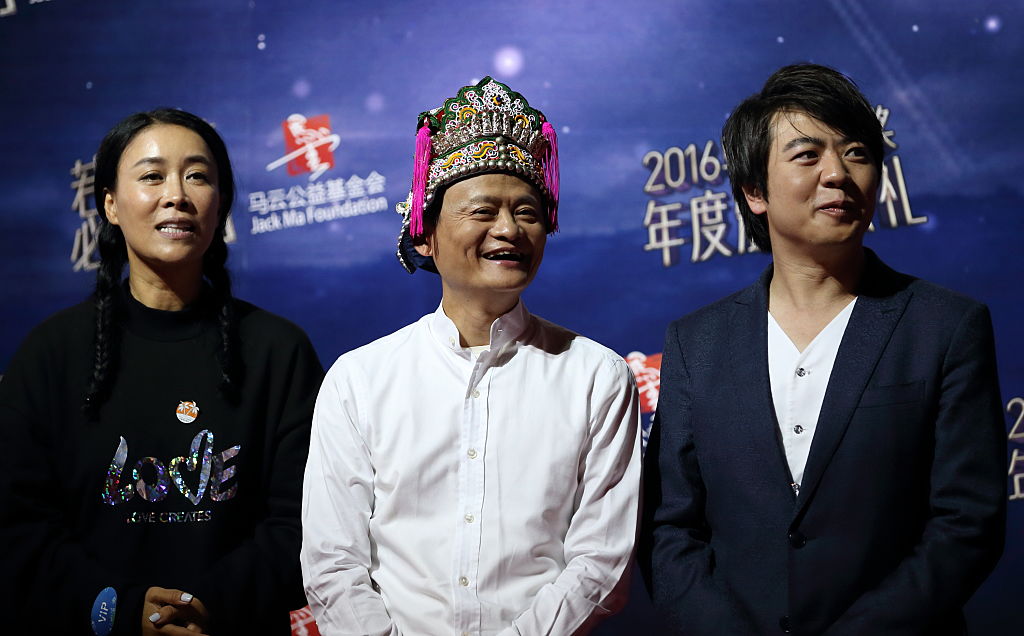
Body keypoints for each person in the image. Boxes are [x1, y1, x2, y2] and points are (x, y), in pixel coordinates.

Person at [639, 64, 1006, 635]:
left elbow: (966, 524)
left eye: (857, 153)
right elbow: (670, 529)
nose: (838, 173)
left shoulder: (946, 326)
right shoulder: (696, 342)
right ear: (754, 192)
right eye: (807, 155)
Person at [301, 77, 642, 636]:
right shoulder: (359, 380)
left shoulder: (596, 376)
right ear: (425, 234)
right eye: (482, 210)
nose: (508, 229)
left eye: (527, 211)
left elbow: (601, 563)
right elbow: (333, 563)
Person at [0, 108, 323, 635]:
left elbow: (302, 523)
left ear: (221, 203)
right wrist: (122, 610)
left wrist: (203, 605)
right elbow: (18, 529)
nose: (176, 195)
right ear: (110, 203)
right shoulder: (50, 355)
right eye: (152, 176)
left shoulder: (277, 351)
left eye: (197, 176)